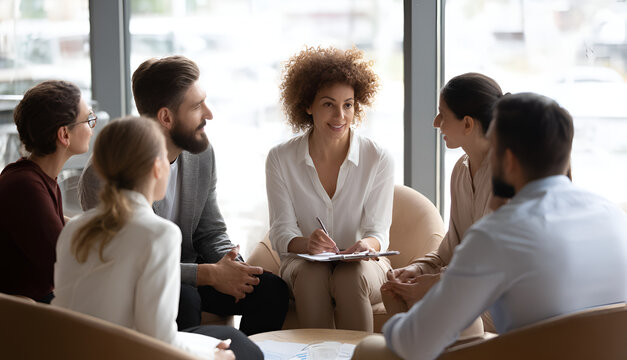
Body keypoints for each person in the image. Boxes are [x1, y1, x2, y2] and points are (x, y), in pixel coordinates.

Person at [381, 93, 627, 360]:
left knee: (371, 352)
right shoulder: (614, 216)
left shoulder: (498, 235)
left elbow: (413, 344)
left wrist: (393, 324)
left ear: (507, 161)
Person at [78, 56, 288, 335]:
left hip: (192, 270)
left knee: (271, 290)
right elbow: (131, 263)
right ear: (166, 117)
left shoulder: (200, 153)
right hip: (139, 279)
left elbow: (210, 231)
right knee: (183, 297)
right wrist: (207, 275)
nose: (209, 114)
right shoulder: (106, 173)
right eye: (197, 106)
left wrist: (234, 267)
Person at [54, 117, 262, 360]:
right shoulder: (159, 234)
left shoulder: (73, 229)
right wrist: (209, 355)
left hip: (74, 349)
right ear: (156, 167)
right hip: (128, 351)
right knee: (239, 345)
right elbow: (157, 339)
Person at [266, 46, 395, 332]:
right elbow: (281, 232)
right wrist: (307, 244)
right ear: (307, 105)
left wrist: (367, 246)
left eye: (348, 104)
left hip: (364, 268)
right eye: (328, 104)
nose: (340, 115)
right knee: (313, 273)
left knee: (350, 276)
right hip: (303, 266)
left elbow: (379, 232)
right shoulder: (280, 158)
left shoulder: (378, 158)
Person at [381, 73, 503, 332]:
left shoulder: (506, 175)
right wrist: (416, 270)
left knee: (434, 302)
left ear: (467, 124)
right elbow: (450, 250)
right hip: (465, 287)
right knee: (392, 291)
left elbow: (491, 265)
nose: (436, 123)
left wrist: (435, 284)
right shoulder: (461, 169)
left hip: (498, 297)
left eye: (442, 115)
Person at [0, 80, 94, 303]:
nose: (93, 128)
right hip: (12, 316)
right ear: (64, 135)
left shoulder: (35, 178)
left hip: (28, 305)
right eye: (89, 119)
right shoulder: (25, 187)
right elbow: (64, 266)